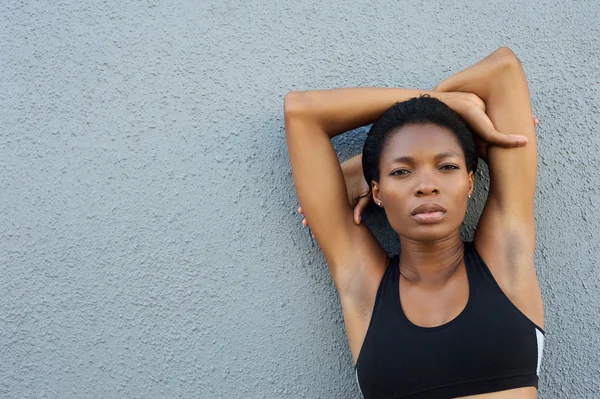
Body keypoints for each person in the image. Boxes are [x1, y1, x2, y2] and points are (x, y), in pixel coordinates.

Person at [283, 47, 545, 399]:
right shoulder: (365, 288)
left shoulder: (505, 260)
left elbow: (502, 70)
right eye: (401, 171)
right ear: (376, 190)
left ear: (470, 182)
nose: (426, 185)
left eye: (447, 166)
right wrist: (448, 104)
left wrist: (427, 113)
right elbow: (300, 112)